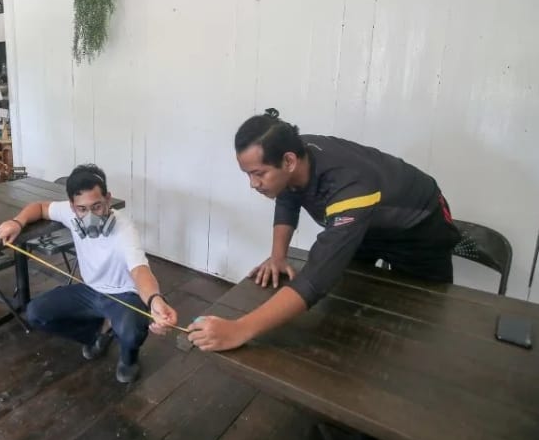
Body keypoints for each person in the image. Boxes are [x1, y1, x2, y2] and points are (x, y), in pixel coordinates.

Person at [189, 108, 460, 352]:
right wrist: (278, 257)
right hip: (370, 225)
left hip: (419, 226)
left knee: (428, 321)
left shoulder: (349, 188)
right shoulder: (292, 153)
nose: (253, 184)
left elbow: (315, 279)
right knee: (351, 307)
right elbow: (287, 194)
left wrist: (239, 329)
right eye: (248, 174)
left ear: (289, 161)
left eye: (258, 173)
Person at [0, 164, 178, 383]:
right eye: (82, 209)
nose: (90, 215)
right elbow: (40, 207)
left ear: (108, 199)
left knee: (131, 332)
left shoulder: (125, 230)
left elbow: (140, 271)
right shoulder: (69, 213)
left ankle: (129, 358)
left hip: (124, 296)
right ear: (73, 207)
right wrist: (17, 222)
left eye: (98, 206)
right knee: (35, 313)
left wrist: (155, 300)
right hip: (90, 290)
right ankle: (99, 331)